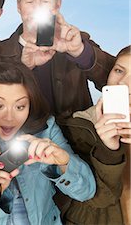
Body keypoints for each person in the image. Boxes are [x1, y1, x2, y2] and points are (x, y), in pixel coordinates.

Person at [0, 61, 96, 224]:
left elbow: (86, 192)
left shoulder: (46, 130)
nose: (9, 117)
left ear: (30, 104)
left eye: (19, 106)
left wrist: (63, 163)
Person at [0, 0, 115, 120]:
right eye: (30, 2)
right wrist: (23, 67)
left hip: (78, 140)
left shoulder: (78, 41)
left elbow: (119, 81)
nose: (37, 8)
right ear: (19, 7)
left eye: (45, 1)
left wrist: (79, 52)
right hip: (21, 139)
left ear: (57, 5)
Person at [56, 45, 131, 224]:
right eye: (119, 70)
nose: (123, 82)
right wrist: (107, 150)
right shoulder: (78, 127)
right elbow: (91, 200)